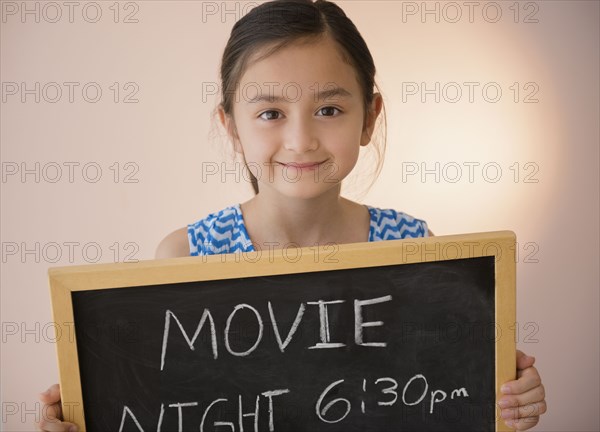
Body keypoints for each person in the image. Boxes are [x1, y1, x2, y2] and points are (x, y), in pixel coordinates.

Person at [37, 0, 546, 430]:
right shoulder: (186, 256)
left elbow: (449, 396)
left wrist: (508, 398)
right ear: (232, 128)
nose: (301, 141)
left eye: (329, 110)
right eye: (270, 113)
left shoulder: (415, 247)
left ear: (369, 117)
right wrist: (89, 413)